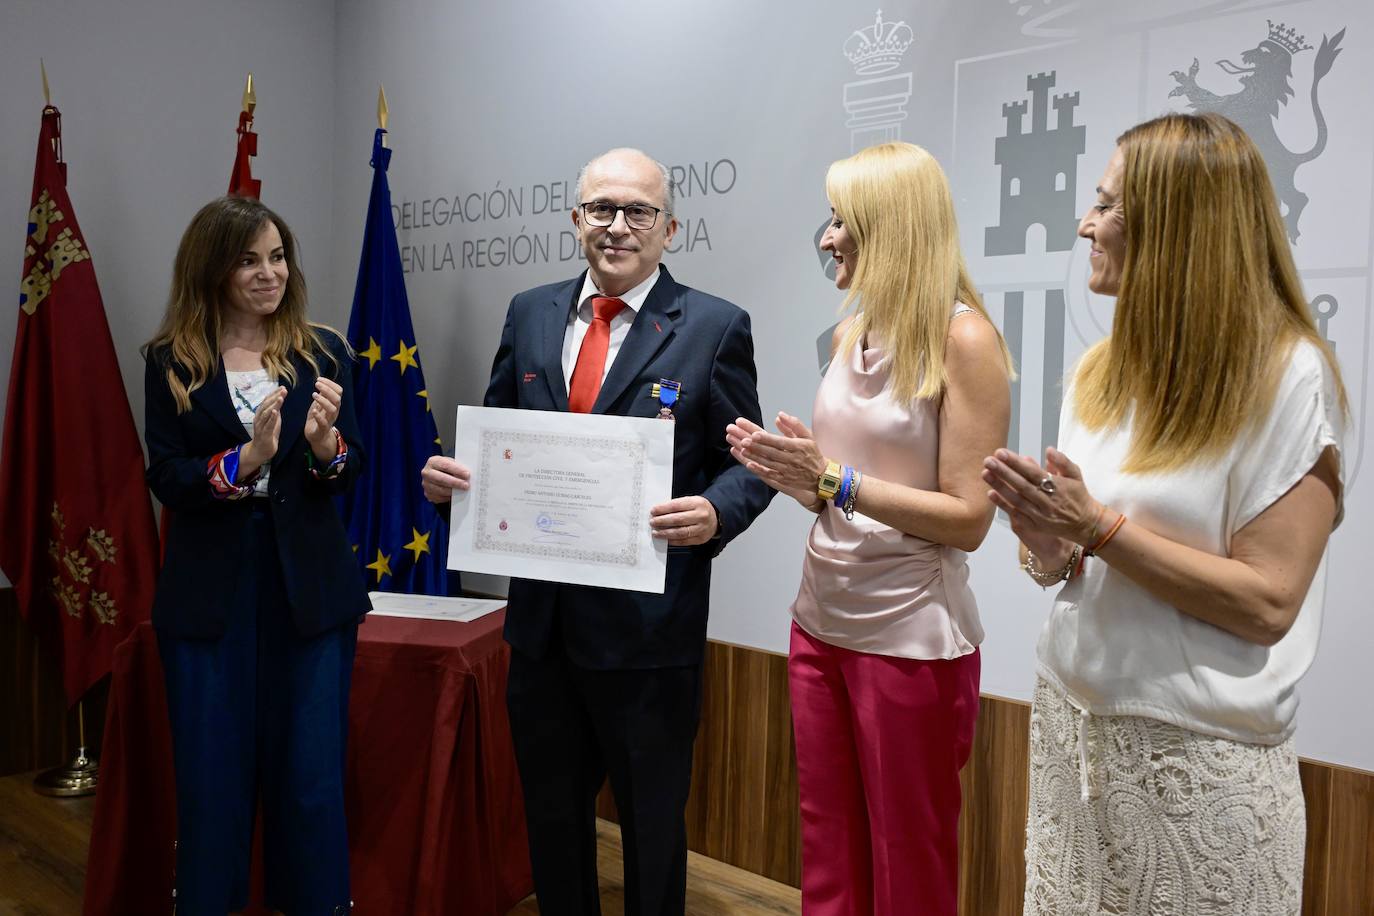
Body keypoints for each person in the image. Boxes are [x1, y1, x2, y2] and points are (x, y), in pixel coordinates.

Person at [981, 112, 1346, 915]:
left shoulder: (1289, 378)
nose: (1086, 223)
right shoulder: (1099, 372)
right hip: (1072, 737)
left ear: (1180, 227)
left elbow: (1268, 602)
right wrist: (1048, 540)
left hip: (1197, 766)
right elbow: (1072, 567)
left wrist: (1100, 530)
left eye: (1108, 206)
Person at [421, 147, 773, 914]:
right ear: (575, 218)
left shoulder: (714, 326)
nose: (617, 227)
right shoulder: (530, 311)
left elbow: (750, 465)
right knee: (551, 824)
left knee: (650, 832)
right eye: (601, 210)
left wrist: (717, 511)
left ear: (670, 228)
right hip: (542, 631)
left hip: (649, 636)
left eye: (638, 212)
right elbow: (499, 442)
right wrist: (453, 484)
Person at [725, 141, 1013, 915]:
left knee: (908, 859)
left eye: (841, 222)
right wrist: (801, 478)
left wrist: (835, 481)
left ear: (892, 226)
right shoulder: (853, 332)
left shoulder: (966, 339)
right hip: (819, 623)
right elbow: (842, 489)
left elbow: (969, 520)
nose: (826, 240)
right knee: (828, 845)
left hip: (909, 641)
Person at [143, 196, 369, 916]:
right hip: (211, 604)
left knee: (311, 784)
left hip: (311, 600)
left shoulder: (323, 350)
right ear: (212, 268)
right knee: (212, 784)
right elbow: (167, 476)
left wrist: (327, 448)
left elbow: (350, 467)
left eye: (277, 257)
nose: (269, 273)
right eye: (248, 260)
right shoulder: (170, 361)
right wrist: (247, 459)